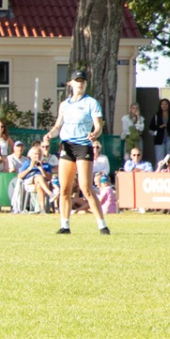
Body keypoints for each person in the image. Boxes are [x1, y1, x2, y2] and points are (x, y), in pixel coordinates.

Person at [40, 70, 109, 235]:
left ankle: (102, 225)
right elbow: (58, 126)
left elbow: (98, 126)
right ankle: (65, 225)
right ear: (70, 83)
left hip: (83, 146)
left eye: (82, 81)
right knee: (64, 188)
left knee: (86, 188)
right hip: (67, 146)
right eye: (77, 81)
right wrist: (49, 135)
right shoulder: (65, 104)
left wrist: (94, 134)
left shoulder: (91, 103)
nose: (80, 83)